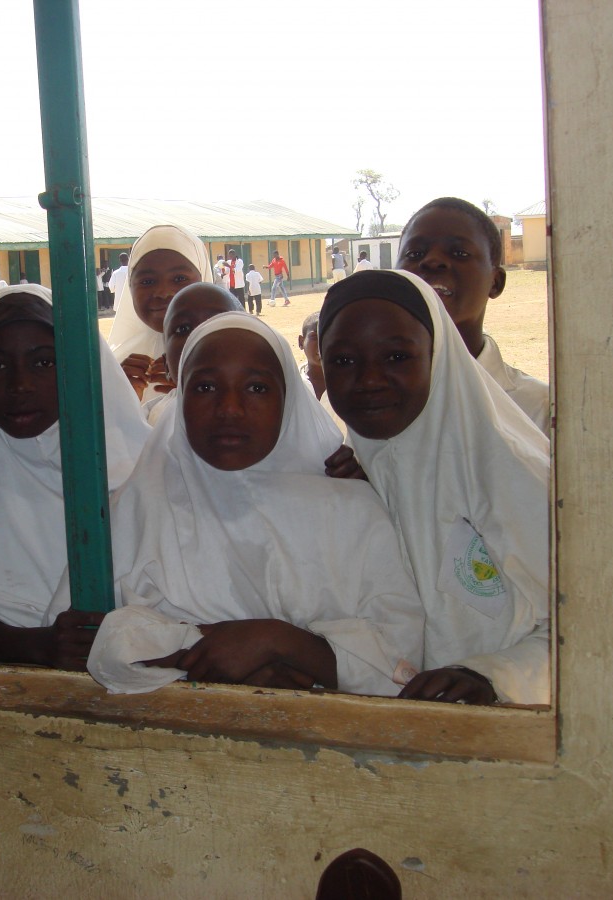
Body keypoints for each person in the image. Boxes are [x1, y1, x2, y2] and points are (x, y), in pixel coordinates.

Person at [81, 312, 424, 696]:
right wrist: (229, 659)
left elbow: (404, 655)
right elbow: (91, 641)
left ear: (288, 399)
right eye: (206, 387)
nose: (230, 408)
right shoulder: (136, 511)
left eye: (257, 389)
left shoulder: (353, 514)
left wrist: (276, 641)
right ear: (180, 397)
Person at [319, 269, 550, 706]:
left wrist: (491, 677)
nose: (369, 379)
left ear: (438, 357)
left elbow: (590, 627)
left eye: (397, 358)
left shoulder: (512, 475)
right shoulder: (345, 475)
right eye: (344, 361)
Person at [0, 285, 150, 668]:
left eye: (45, 362)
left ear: (83, 365)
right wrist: (39, 646)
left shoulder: (137, 471)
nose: (19, 386)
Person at [398, 196, 550, 435]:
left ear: (495, 282)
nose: (432, 260)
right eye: (415, 254)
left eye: (459, 253)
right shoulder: (373, 398)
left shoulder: (538, 409)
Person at [108, 225, 212, 402]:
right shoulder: (112, 370)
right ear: (130, 287)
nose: (163, 292)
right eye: (147, 281)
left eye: (179, 279)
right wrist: (119, 400)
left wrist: (199, 392)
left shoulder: (232, 361)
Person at [141, 282, 243, 425]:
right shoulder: (150, 423)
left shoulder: (275, 414)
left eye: (218, 324)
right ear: (166, 366)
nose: (199, 337)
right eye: (183, 329)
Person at [297, 311, 325, 400]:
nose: (322, 344)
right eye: (314, 337)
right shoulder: (291, 383)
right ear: (301, 342)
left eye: (329, 337)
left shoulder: (352, 383)